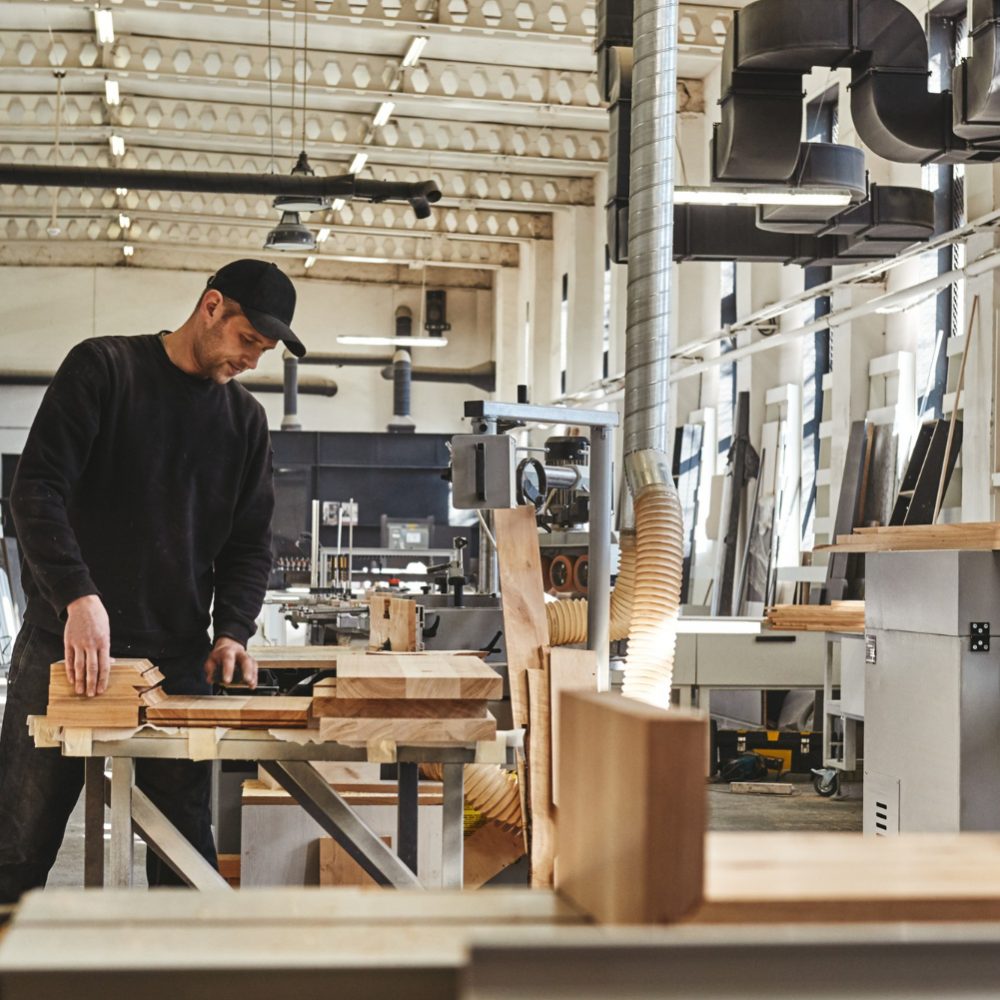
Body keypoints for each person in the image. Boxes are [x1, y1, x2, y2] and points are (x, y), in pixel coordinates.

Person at [0, 259, 306, 901]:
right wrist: (78, 595)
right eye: (248, 340)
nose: (252, 361)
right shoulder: (104, 370)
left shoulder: (245, 423)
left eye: (265, 351)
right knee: (18, 843)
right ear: (212, 306)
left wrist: (232, 633)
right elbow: (36, 491)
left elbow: (250, 545)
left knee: (185, 858)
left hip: (174, 657)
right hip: (65, 645)